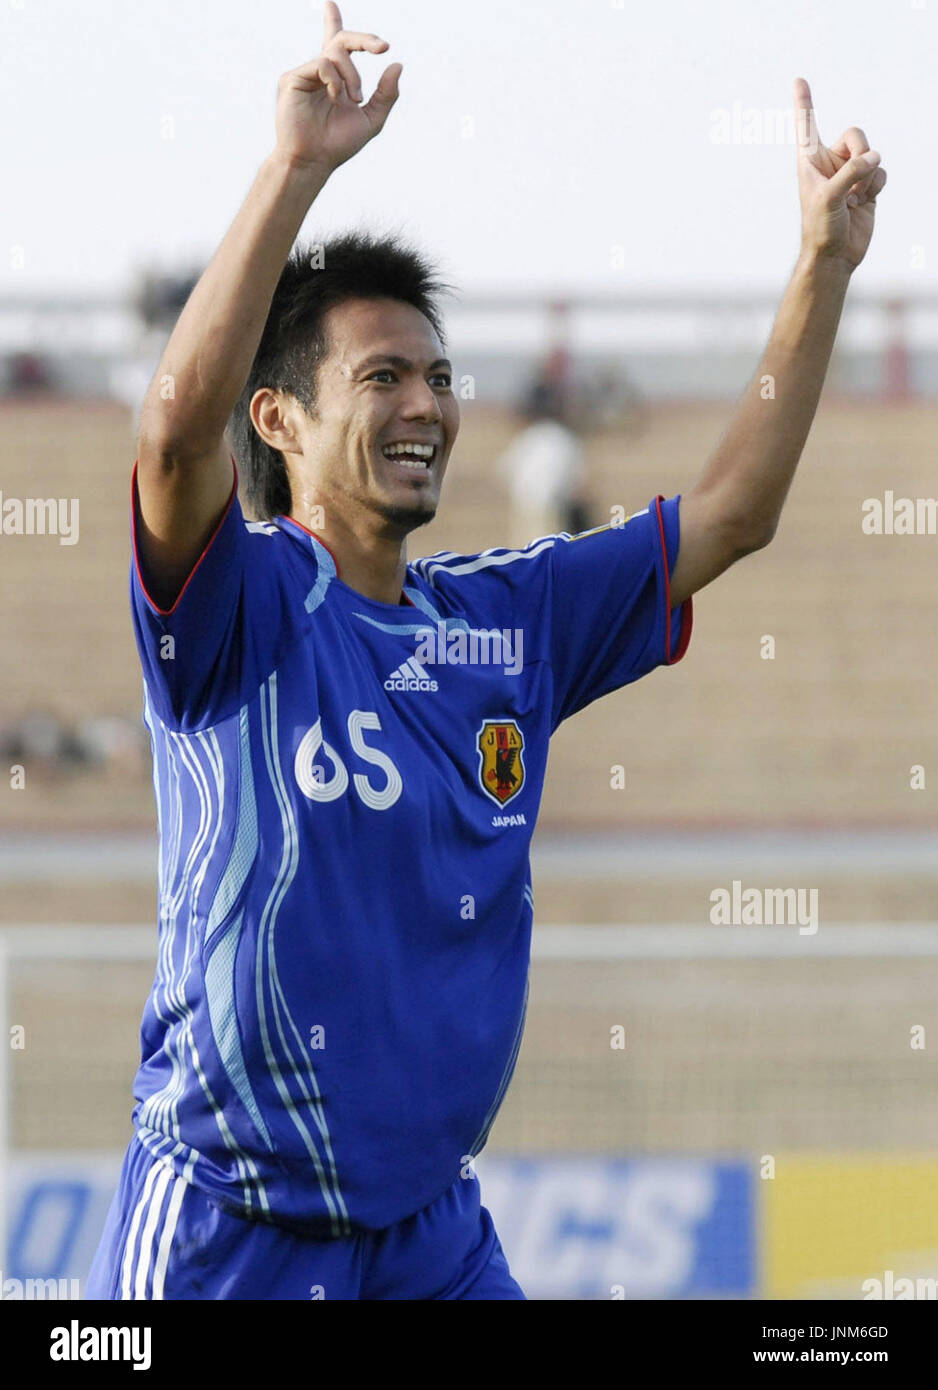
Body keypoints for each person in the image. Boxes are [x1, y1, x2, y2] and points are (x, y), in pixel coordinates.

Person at [86, 3, 885, 1300]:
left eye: (440, 376)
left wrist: (821, 265)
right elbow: (176, 441)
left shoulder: (509, 619)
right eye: (385, 376)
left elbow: (732, 512)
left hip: (428, 1237)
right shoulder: (237, 605)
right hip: (221, 1233)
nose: (428, 406)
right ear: (278, 417)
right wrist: (294, 170)